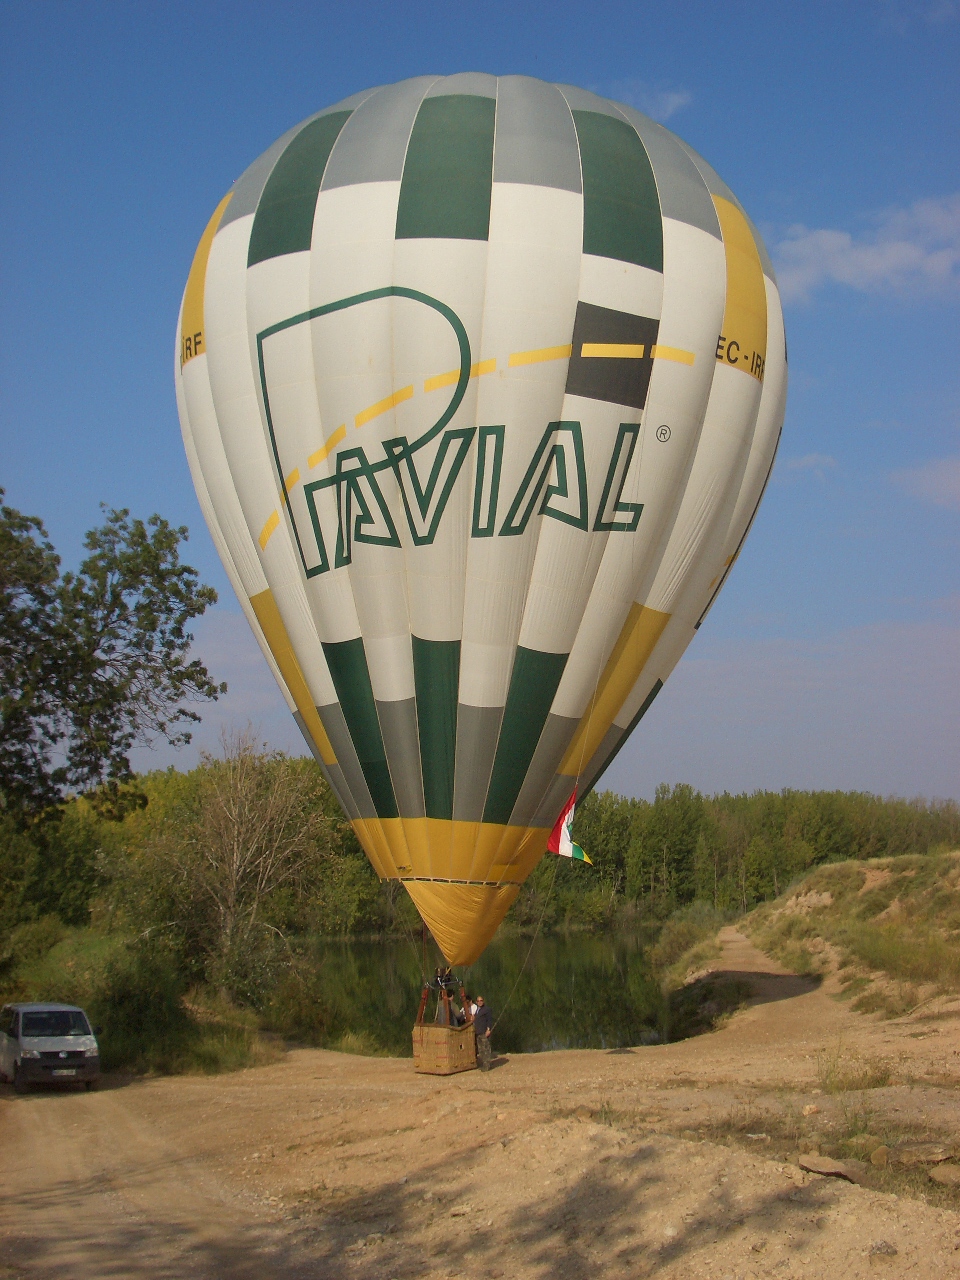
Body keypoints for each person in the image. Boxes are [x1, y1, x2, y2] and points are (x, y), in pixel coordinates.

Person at [473, 995, 493, 1071]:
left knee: (486, 1049)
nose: (480, 1002)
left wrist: (488, 1029)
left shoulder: (487, 1009)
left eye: (481, 1000)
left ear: (483, 1001)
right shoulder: (477, 1010)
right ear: (476, 1002)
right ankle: (484, 1064)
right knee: (481, 1050)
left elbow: (489, 1020)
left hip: (484, 1032)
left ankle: (487, 1065)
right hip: (478, 1032)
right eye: (478, 1001)